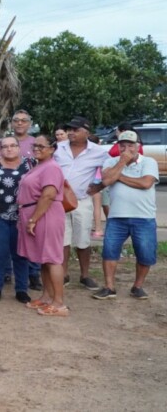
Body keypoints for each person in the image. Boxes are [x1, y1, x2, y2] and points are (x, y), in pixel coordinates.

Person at [93, 131, 158, 301]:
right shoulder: (111, 161)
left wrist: (118, 176)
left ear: (138, 146)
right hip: (116, 216)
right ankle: (109, 287)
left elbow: (145, 183)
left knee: (145, 253)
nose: (126, 149)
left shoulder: (149, 162)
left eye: (130, 145)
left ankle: (137, 286)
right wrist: (122, 162)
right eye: (122, 145)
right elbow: (106, 181)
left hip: (144, 217)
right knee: (109, 251)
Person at [54, 116, 108, 290]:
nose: (71, 133)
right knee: (62, 240)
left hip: (82, 201)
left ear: (87, 132)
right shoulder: (58, 148)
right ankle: (63, 274)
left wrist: (99, 186)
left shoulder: (98, 151)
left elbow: (110, 170)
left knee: (83, 240)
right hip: (59, 201)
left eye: (76, 130)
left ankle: (85, 275)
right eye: (70, 129)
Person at [18, 134, 69, 317]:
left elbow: (48, 195)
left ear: (52, 148)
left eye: (42, 145)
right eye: (35, 145)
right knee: (44, 258)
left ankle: (59, 303)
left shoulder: (52, 168)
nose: (37, 148)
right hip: (37, 213)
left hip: (46, 215)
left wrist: (34, 219)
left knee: (53, 258)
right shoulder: (40, 166)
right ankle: (47, 296)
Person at [0, 135, 33, 303]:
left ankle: (21, 289)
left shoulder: (30, 164)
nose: (9, 149)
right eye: (5, 146)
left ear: (19, 147)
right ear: (0, 149)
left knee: (20, 254)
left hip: (22, 217)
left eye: (13, 145)